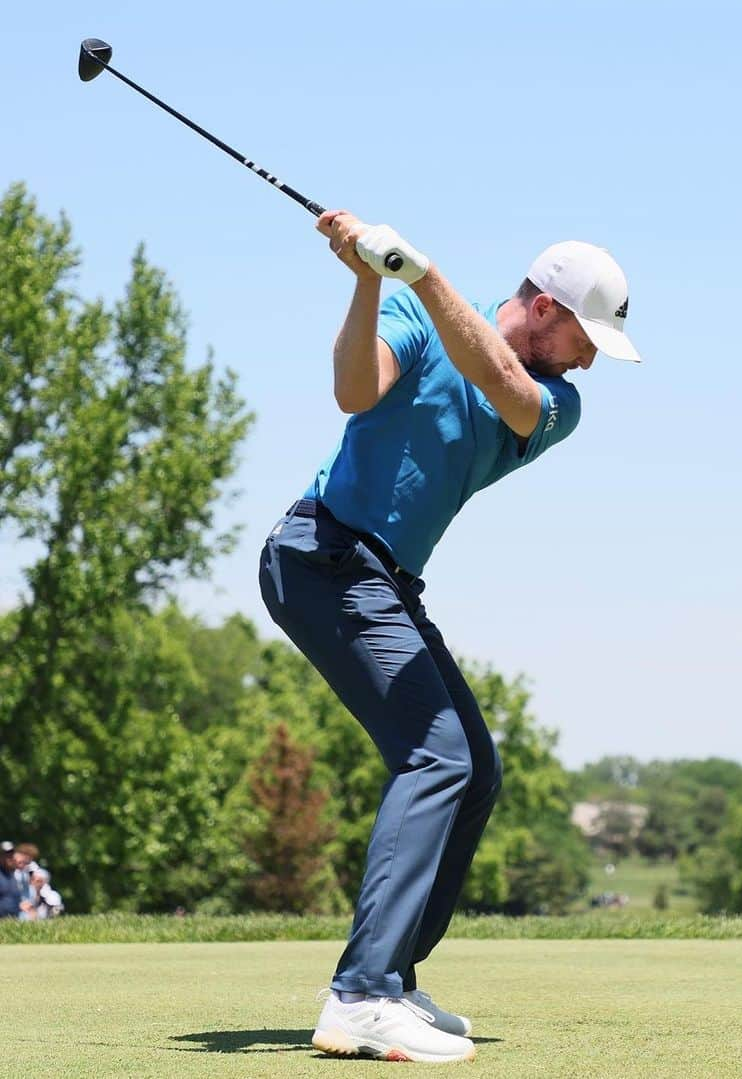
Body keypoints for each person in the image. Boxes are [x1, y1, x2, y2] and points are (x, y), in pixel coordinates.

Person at [259, 214, 639, 1063]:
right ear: (545, 307)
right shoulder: (415, 317)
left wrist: (419, 275)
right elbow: (355, 392)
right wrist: (367, 277)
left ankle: (389, 977)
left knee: (476, 767)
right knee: (438, 756)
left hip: (380, 578)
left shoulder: (557, 403)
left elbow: (501, 380)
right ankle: (358, 995)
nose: (588, 360)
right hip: (321, 554)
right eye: (586, 337)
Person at [0, 842, 21, 919]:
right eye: (7, 855)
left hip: (13, 922)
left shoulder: (14, 875)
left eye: (12, 855)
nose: (10, 858)